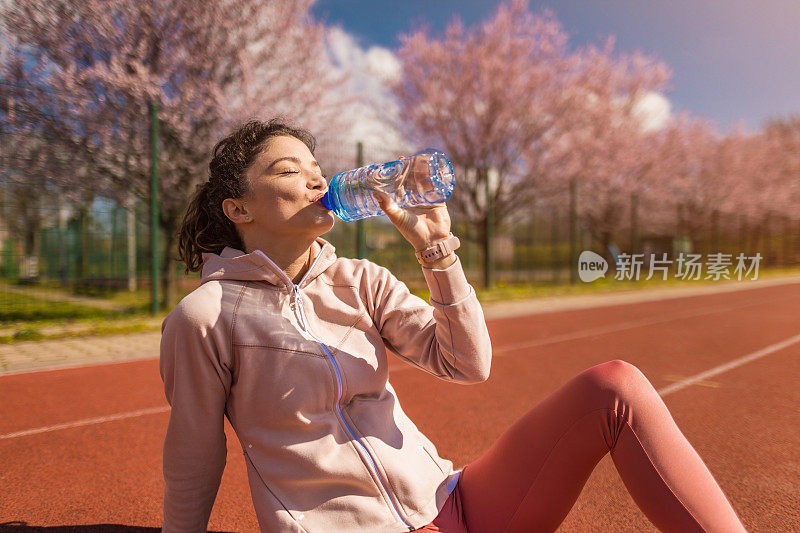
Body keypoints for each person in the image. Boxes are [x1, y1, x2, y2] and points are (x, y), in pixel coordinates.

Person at [159, 119, 747, 532]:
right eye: (290, 171)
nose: (318, 180)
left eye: (318, 168)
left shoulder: (360, 280)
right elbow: (194, 452)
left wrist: (440, 256)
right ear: (239, 209)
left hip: (455, 500)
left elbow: (468, 364)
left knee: (615, 387)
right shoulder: (206, 317)